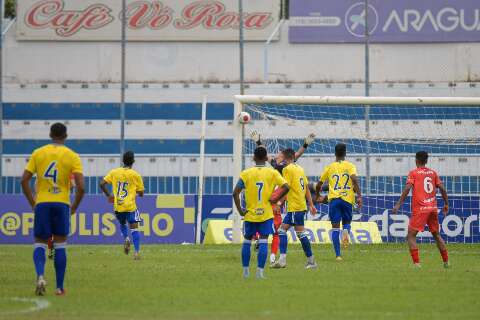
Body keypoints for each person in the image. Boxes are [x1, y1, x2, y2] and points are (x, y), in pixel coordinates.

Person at [21, 123, 85, 296]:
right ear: (66, 136)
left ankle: (40, 276)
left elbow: (24, 180)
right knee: (60, 245)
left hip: (42, 203)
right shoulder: (72, 156)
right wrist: (74, 207)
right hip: (62, 203)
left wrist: (33, 203)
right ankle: (59, 287)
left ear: (50, 134)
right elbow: (81, 187)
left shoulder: (38, 153)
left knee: (40, 243)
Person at [249, 130, 315, 264]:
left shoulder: (286, 167)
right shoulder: (283, 165)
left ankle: (308, 260)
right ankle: (281, 258)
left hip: (284, 198)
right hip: (287, 200)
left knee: (288, 231)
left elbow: (296, 154)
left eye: (279, 154)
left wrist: (305, 144)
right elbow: (264, 155)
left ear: (283, 157)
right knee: (280, 230)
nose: (276, 156)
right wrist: (258, 142)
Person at [232, 146, 289, 279]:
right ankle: (260, 273)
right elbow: (286, 187)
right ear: (265, 158)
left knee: (247, 240)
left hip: (250, 214)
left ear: (253, 157)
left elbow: (235, 193)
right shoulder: (272, 173)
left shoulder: (246, 173)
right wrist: (275, 199)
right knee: (263, 241)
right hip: (266, 215)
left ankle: (245, 272)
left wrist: (241, 211)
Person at [392, 151, 449, 268]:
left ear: (416, 160)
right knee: (436, 235)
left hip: (421, 209)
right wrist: (446, 203)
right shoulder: (433, 173)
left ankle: (417, 264)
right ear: (426, 161)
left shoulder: (413, 173)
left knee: (411, 236)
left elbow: (408, 188)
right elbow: (442, 188)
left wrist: (398, 204)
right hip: (432, 208)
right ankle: (446, 262)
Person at [315, 143, 362, 260]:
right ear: (345, 153)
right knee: (347, 222)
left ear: (335, 153)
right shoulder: (350, 166)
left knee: (335, 227)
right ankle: (346, 231)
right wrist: (359, 196)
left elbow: (319, 184)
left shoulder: (329, 167)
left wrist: (317, 195)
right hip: (347, 199)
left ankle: (338, 255)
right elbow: (354, 179)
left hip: (334, 200)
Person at [272, 148, 318, 269]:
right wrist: (311, 204)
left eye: (281, 156)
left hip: (295, 206)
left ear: (286, 157)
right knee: (283, 231)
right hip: (300, 205)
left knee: (298, 233)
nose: (279, 158)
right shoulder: (300, 169)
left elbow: (285, 188)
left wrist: (278, 202)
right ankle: (285, 260)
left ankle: (311, 262)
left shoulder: (287, 169)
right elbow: (307, 188)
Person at [100, 151, 144, 260]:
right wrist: (137, 190)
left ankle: (126, 238)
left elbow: (101, 184)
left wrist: (109, 195)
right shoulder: (135, 175)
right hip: (130, 207)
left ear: (122, 161)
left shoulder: (114, 172)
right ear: (133, 161)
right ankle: (137, 252)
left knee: (122, 223)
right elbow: (141, 193)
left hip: (118, 206)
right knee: (134, 228)